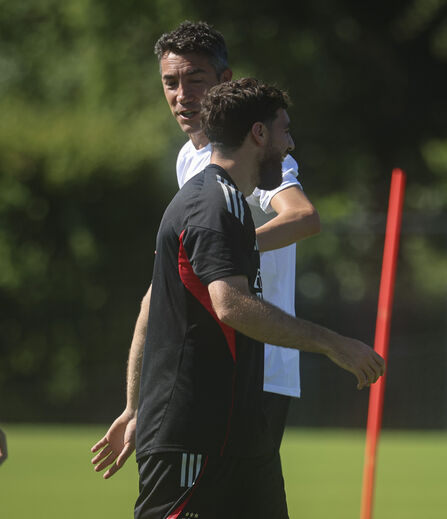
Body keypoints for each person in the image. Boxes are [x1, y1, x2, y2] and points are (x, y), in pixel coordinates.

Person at [131, 78, 384, 518]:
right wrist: (333, 344)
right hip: (192, 436)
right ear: (259, 134)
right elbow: (230, 304)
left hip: (239, 435)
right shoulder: (211, 203)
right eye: (284, 130)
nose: (290, 144)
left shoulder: (231, 203)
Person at [91, 21, 315, 480]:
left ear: (224, 81)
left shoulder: (253, 152)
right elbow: (164, 286)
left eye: (195, 80)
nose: (182, 95)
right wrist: (135, 403)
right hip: (208, 370)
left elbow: (302, 217)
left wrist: (230, 246)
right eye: (170, 82)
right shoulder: (189, 158)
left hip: (258, 369)